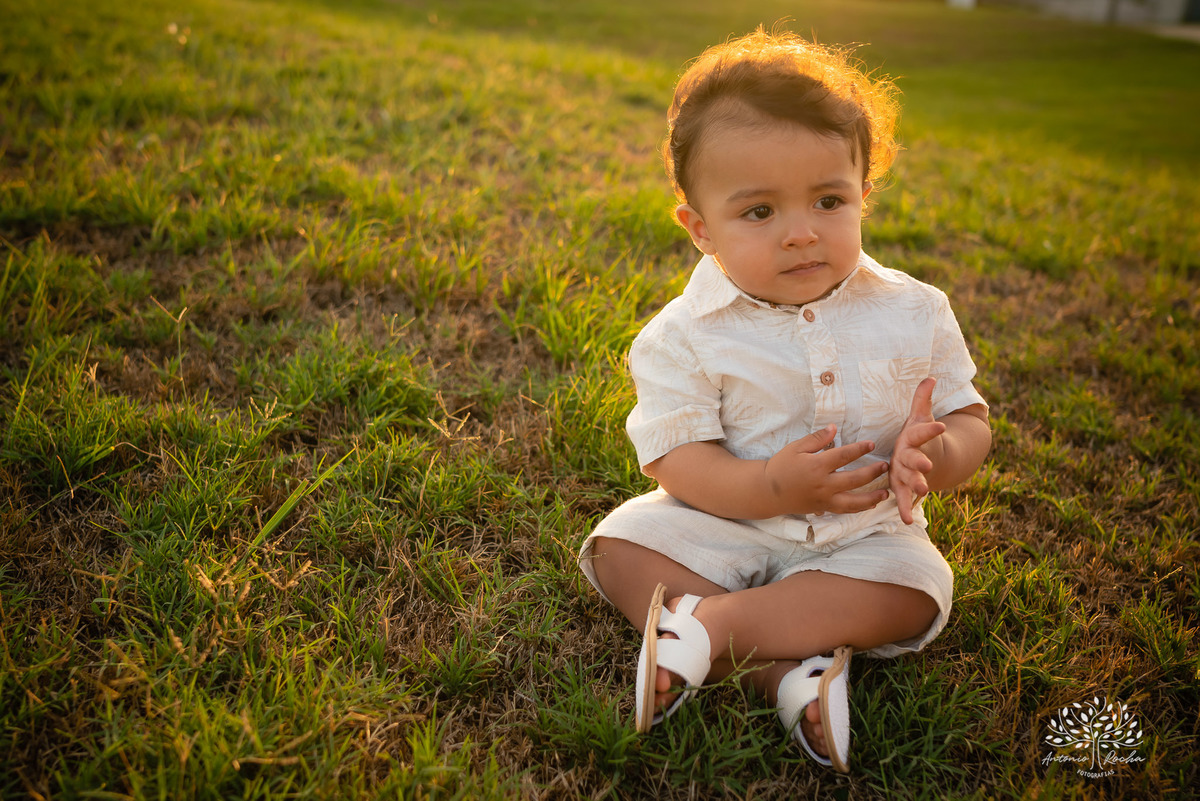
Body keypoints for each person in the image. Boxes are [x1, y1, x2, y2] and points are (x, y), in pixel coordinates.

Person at [577, 28, 992, 773]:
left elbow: (969, 417)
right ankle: (784, 674)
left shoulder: (916, 310)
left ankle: (703, 630)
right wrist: (768, 486)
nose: (802, 233)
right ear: (701, 230)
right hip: (730, 522)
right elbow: (678, 459)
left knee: (918, 591)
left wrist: (937, 452)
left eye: (828, 200)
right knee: (621, 545)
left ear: (863, 192)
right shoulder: (683, 334)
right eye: (760, 213)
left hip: (865, 535)